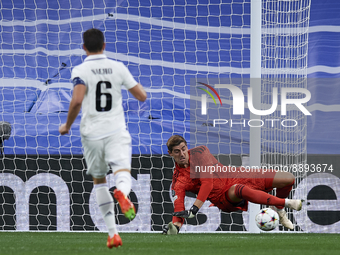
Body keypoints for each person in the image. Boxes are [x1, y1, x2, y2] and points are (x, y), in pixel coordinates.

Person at [59, 28, 147, 248]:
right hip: (116, 130)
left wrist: (67, 126)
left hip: (91, 133)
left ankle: (112, 233)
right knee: (122, 172)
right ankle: (122, 193)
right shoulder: (118, 67)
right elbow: (141, 96)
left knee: (99, 181)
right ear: (104, 45)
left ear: (84, 47)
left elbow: (77, 100)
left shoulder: (81, 69)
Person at [162, 135, 302, 234]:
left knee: (288, 178)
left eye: (184, 148)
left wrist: (194, 209)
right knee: (238, 190)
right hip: (222, 197)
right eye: (177, 151)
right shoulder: (178, 180)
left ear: (187, 147)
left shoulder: (201, 152)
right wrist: (175, 227)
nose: (182, 153)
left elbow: (207, 182)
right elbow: (178, 207)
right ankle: (287, 203)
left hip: (235, 175)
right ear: (170, 154)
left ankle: (279, 209)